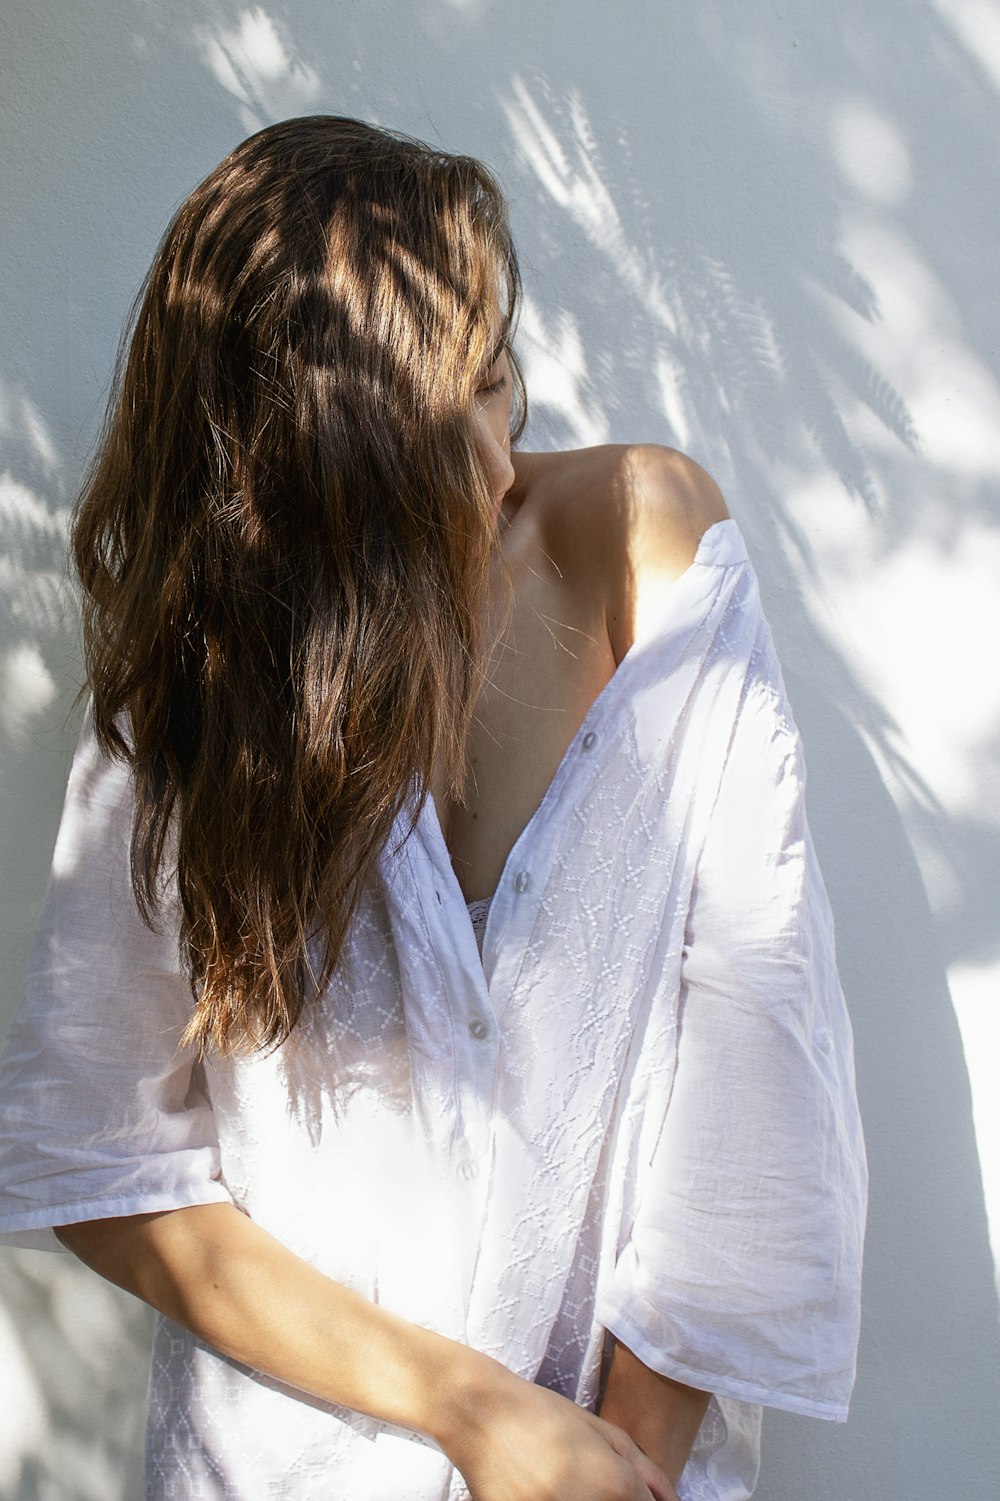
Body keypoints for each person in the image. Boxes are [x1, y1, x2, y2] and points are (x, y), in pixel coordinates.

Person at [0, 116, 867, 1501]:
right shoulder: (201, 683)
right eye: (435, 430)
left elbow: (749, 1053)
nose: (498, 455)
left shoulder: (649, 547)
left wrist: (614, 1462)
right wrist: (474, 1410)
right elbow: (113, 1163)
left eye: (497, 376)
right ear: (309, 482)